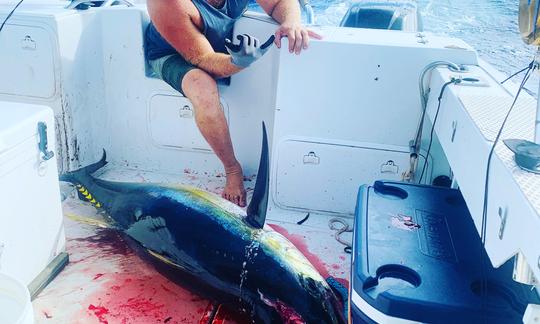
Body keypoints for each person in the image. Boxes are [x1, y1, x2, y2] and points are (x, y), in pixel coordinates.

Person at [145, 0, 321, 207]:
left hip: (214, 46)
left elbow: (278, 3)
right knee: (202, 89)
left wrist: (291, 22)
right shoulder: (167, 3)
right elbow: (205, 59)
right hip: (172, 53)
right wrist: (239, 62)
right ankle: (232, 169)